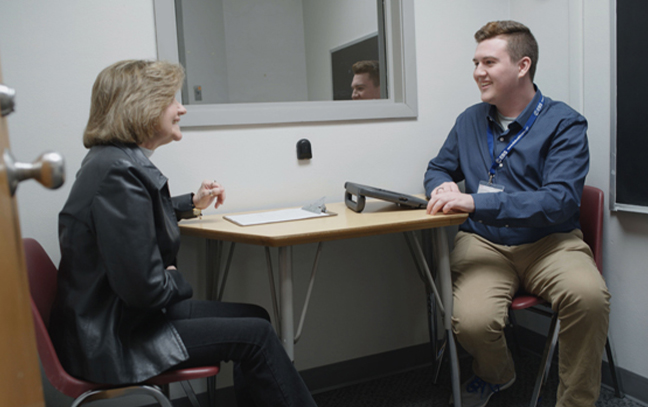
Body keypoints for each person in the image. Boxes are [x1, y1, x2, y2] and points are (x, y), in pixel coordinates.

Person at [50, 59, 317, 407]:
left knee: (257, 318)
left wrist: (190, 202)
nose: (182, 109)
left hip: (114, 323)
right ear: (141, 106)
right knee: (257, 334)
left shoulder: (112, 162)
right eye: (171, 100)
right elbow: (146, 290)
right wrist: (176, 279)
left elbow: (130, 221)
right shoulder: (119, 175)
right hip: (118, 338)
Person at [424, 21, 610, 407]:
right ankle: (499, 374)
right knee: (472, 321)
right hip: (484, 243)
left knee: (589, 298)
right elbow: (438, 167)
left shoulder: (565, 123)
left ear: (523, 66)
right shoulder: (469, 120)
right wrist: (440, 186)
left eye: (489, 62)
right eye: (475, 62)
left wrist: (475, 201)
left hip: (550, 243)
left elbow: (559, 201)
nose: (478, 72)